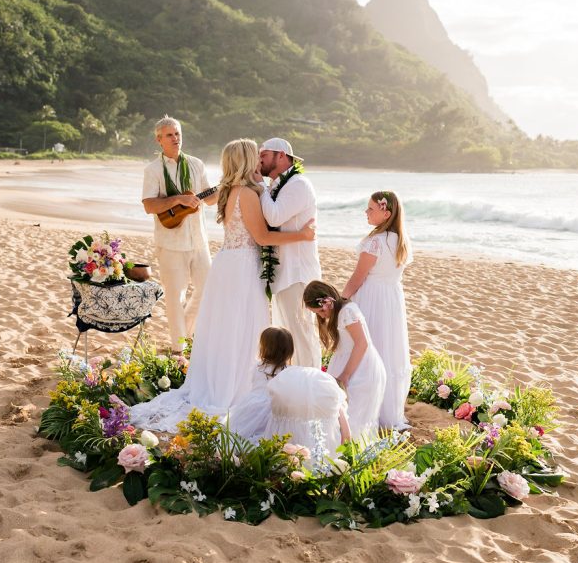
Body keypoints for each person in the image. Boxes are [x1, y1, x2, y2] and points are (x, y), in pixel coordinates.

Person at [130, 139, 315, 433]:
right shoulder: (247, 194)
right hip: (242, 267)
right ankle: (234, 389)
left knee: (227, 328)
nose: (259, 160)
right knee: (241, 328)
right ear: (245, 160)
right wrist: (302, 236)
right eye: (255, 155)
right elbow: (264, 237)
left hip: (229, 263)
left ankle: (222, 381)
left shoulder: (228, 191)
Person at [141, 115, 217, 351]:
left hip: (199, 241)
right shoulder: (153, 170)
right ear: (159, 140)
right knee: (175, 297)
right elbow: (149, 206)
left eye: (178, 134)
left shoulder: (196, 164)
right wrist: (179, 199)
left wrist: (222, 191)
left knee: (207, 290)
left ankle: (185, 332)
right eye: (170, 135)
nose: (175, 138)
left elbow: (211, 199)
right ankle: (178, 349)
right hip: (170, 243)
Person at [341, 190, 412, 430]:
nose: (366, 212)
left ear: (386, 213)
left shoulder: (375, 242)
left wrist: (341, 300)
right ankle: (389, 410)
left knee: (369, 346)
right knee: (388, 349)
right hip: (391, 299)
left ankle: (368, 406)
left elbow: (357, 279)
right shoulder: (400, 241)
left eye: (371, 209)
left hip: (371, 298)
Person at [257, 137, 321, 368]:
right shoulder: (277, 185)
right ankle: (294, 385)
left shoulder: (298, 184)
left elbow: (273, 216)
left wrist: (260, 186)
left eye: (263, 155)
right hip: (284, 272)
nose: (259, 160)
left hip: (298, 273)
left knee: (302, 334)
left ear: (281, 156)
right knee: (287, 334)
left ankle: (312, 385)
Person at [303, 280, 386, 441]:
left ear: (327, 301)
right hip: (346, 360)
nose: (321, 315)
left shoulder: (347, 312)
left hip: (360, 367)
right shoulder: (340, 312)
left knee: (353, 415)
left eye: (320, 310)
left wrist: (346, 375)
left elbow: (362, 344)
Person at [263, 363, 350, 464]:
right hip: (322, 462)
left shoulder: (292, 385)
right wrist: (342, 455)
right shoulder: (336, 400)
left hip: (282, 459)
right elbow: (347, 435)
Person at [227, 326, 294, 443]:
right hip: (276, 408)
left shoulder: (258, 367)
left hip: (254, 406)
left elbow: (254, 385)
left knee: (241, 431)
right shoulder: (289, 371)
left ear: (265, 348)